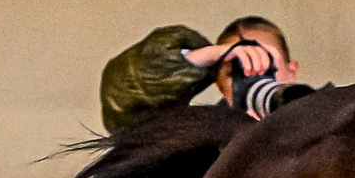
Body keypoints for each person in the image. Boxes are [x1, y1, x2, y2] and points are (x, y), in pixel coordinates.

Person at [97, 15, 309, 133]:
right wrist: (200, 57)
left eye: (267, 64)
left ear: (292, 71)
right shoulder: (202, 139)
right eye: (235, 72)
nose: (254, 76)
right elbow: (125, 107)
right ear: (218, 83)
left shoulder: (328, 116)